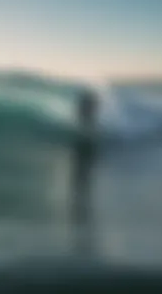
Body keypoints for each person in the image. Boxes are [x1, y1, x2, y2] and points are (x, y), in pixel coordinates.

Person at [71, 89, 98, 255]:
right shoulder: (85, 112)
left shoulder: (88, 114)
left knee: (81, 183)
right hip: (84, 151)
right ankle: (80, 210)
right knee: (81, 183)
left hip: (85, 152)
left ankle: (80, 211)